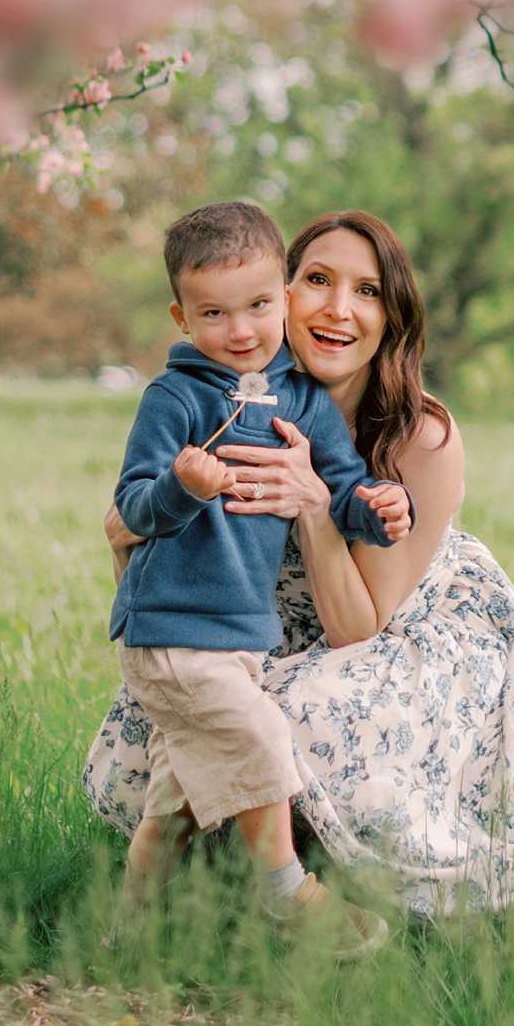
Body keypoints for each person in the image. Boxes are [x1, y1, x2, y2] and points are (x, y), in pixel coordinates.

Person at [84, 209, 514, 914]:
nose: (339, 309)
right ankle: (189, 901)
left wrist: (314, 504)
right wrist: (141, 525)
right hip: (250, 627)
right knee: (175, 725)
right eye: (318, 280)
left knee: (291, 717)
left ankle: (301, 889)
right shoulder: (214, 398)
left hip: (398, 638)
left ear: (391, 315)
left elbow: (357, 631)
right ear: (284, 290)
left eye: (367, 291)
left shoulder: (420, 435)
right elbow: (142, 538)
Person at [109, 198, 414, 957]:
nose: (240, 331)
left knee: (171, 807)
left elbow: (338, 491)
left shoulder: (303, 401)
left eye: (256, 306)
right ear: (182, 318)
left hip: (240, 636)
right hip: (173, 630)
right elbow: (132, 508)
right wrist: (184, 485)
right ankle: (286, 890)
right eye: (214, 314)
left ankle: (124, 938)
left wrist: (377, 509)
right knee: (260, 732)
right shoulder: (172, 398)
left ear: (281, 296)